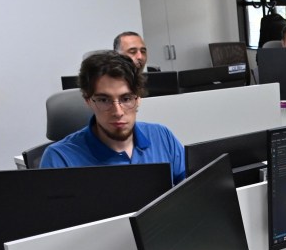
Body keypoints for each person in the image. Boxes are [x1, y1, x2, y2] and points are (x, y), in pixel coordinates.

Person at [41, 51, 186, 185]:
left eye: (126, 99)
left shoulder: (162, 137)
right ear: (88, 101)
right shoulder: (60, 159)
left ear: (138, 99)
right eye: (104, 100)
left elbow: (189, 191)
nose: (118, 112)